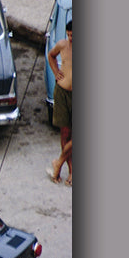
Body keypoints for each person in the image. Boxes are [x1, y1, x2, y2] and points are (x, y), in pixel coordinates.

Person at [47, 16, 73, 186]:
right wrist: (56, 72)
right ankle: (71, 171)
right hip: (62, 93)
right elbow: (51, 55)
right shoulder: (63, 45)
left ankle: (58, 162)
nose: (71, 39)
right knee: (65, 132)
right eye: (69, 35)